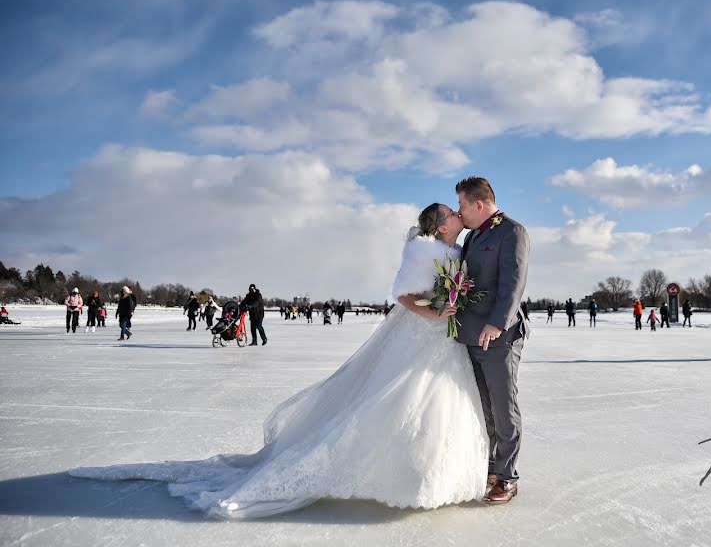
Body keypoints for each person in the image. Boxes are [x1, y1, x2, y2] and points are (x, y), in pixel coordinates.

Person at [70, 202, 488, 518]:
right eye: (452, 213)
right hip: (420, 334)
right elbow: (402, 296)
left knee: (431, 402)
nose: (457, 216)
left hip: (441, 340)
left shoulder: (454, 249)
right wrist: (435, 312)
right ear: (438, 224)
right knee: (398, 400)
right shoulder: (422, 248)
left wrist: (452, 305)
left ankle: (420, 476)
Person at [455, 176, 530, 504]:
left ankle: (507, 477)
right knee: (484, 407)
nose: (460, 212)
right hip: (470, 334)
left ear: (479, 204)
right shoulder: (472, 236)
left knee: (503, 407)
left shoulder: (512, 232)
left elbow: (513, 283)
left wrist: (497, 324)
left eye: (462, 205)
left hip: (499, 336)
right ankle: (490, 467)